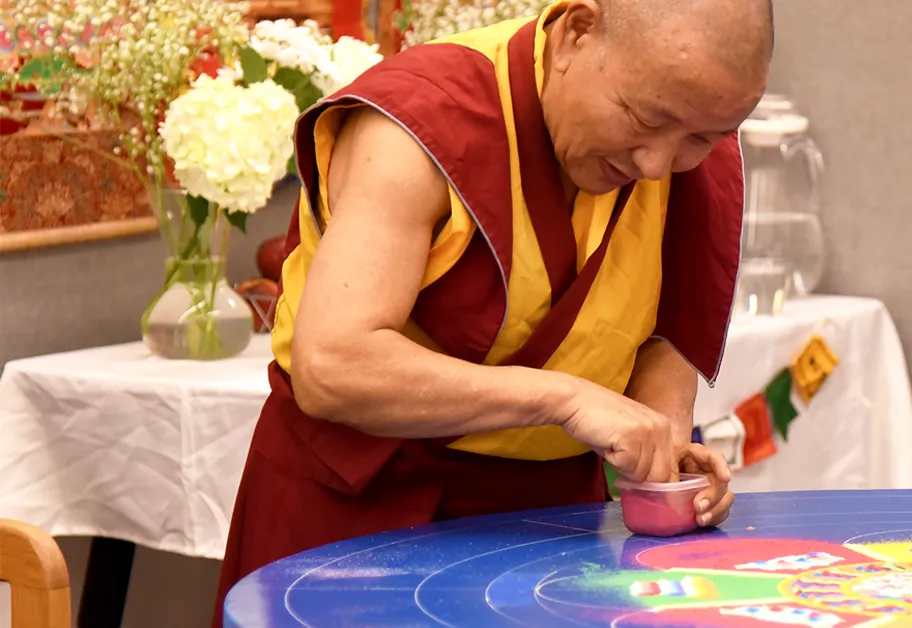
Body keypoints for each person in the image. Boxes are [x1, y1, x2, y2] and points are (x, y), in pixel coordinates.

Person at [213, 0, 773, 620]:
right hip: (361, 508)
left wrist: (664, 459)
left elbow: (659, 327)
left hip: (555, 525)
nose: (657, 166)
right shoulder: (422, 123)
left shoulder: (684, 123)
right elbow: (332, 364)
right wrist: (564, 398)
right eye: (642, 118)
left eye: (701, 139)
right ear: (577, 34)